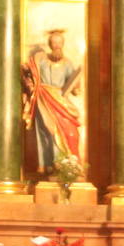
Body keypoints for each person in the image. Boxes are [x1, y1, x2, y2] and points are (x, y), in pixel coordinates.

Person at [21, 30, 82, 173]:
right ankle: (48, 163)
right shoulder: (41, 61)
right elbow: (31, 75)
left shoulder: (67, 63)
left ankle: (66, 163)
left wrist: (76, 85)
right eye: (54, 43)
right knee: (47, 131)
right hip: (44, 98)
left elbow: (74, 88)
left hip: (61, 100)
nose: (57, 46)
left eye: (60, 43)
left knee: (71, 131)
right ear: (50, 45)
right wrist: (28, 80)